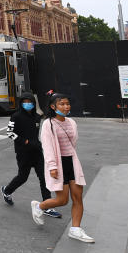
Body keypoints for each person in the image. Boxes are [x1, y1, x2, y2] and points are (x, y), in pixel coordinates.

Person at [32, 94, 94, 243]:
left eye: (68, 104)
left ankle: (75, 229)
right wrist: (52, 166)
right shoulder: (48, 123)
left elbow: (73, 143)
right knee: (62, 200)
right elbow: (47, 147)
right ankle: (39, 206)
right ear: (53, 107)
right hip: (58, 165)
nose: (66, 107)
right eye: (62, 104)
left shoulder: (72, 122)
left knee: (78, 197)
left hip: (72, 162)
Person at [0, 93, 60, 217]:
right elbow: (10, 133)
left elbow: (47, 116)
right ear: (21, 103)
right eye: (25, 102)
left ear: (34, 103)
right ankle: (7, 191)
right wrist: (25, 142)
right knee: (23, 177)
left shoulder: (37, 117)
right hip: (23, 153)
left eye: (30, 102)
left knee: (44, 178)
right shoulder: (16, 116)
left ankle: (46, 206)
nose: (28, 104)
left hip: (37, 152)